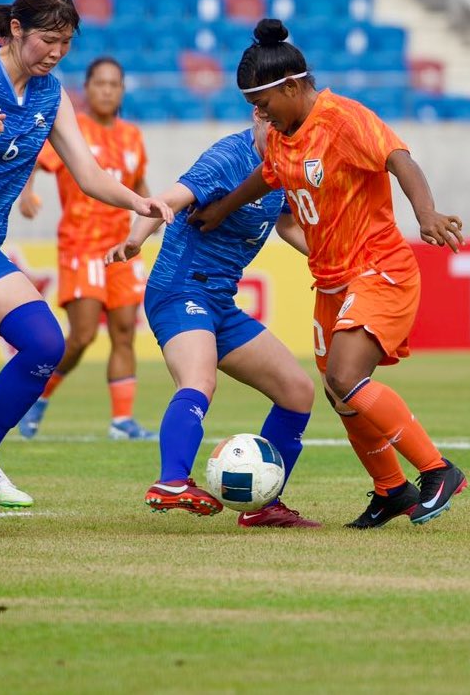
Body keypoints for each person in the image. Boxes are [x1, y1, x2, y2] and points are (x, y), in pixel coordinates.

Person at [189, 19, 467, 529]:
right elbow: (265, 178)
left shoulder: (344, 119)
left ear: (292, 85)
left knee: (345, 377)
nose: (258, 112)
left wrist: (425, 214)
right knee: (341, 395)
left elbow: (399, 159)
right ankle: (391, 490)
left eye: (263, 101)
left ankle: (438, 470)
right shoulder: (281, 136)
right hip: (331, 280)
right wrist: (222, 209)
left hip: (379, 267)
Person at [0, 0, 173, 542]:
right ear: (16, 29)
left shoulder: (51, 94)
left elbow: (89, 176)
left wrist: (139, 201)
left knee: (47, 345)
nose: (55, 53)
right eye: (48, 40)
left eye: (66, 43)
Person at [105, 109, 320, 528]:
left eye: (293, 127)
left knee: (297, 391)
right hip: (180, 289)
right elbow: (165, 201)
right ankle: (171, 482)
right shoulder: (228, 157)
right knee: (200, 380)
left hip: (219, 301)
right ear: (258, 113)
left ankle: (264, 507)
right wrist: (134, 240)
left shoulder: (285, 164)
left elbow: (288, 224)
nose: (285, 133)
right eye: (278, 124)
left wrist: (332, 261)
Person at [16, 57, 156, 441]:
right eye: (100, 83)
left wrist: (155, 213)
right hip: (81, 244)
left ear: (122, 90)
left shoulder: (132, 136)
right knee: (81, 335)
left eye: (114, 84)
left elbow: (139, 184)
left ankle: (122, 422)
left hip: (121, 248)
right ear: (88, 88)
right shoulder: (73, 130)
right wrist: (26, 193)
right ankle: (37, 399)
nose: (107, 90)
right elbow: (35, 157)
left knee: (124, 330)